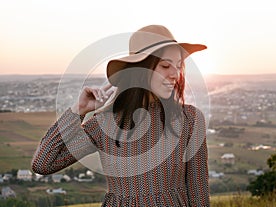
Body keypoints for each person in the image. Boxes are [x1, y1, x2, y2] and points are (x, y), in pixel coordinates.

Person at [32, 25, 209, 206]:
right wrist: (79, 110)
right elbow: (43, 164)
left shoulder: (189, 119)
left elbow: (199, 194)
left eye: (179, 66)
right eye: (165, 66)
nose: (175, 74)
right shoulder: (104, 123)